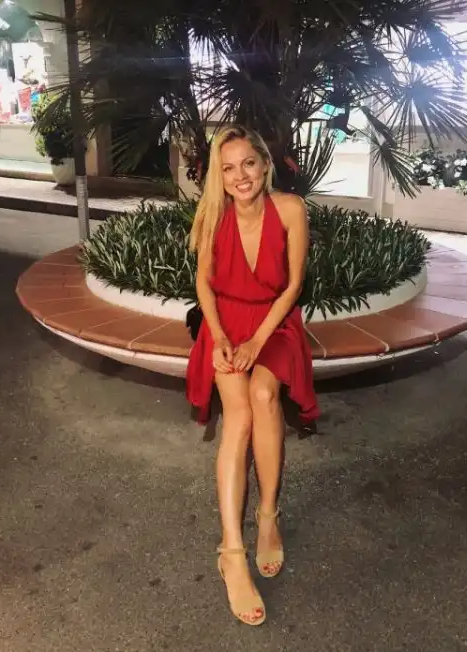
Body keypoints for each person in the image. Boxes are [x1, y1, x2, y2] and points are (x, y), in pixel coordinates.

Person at [186, 125, 319, 626]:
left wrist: (257, 341)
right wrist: (220, 337)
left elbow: (294, 285)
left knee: (265, 394)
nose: (239, 175)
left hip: (273, 325)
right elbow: (203, 283)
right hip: (224, 324)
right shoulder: (212, 214)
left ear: (265, 164)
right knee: (238, 418)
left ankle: (267, 517)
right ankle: (231, 552)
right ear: (218, 176)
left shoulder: (290, 210)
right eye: (228, 167)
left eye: (247, 163)